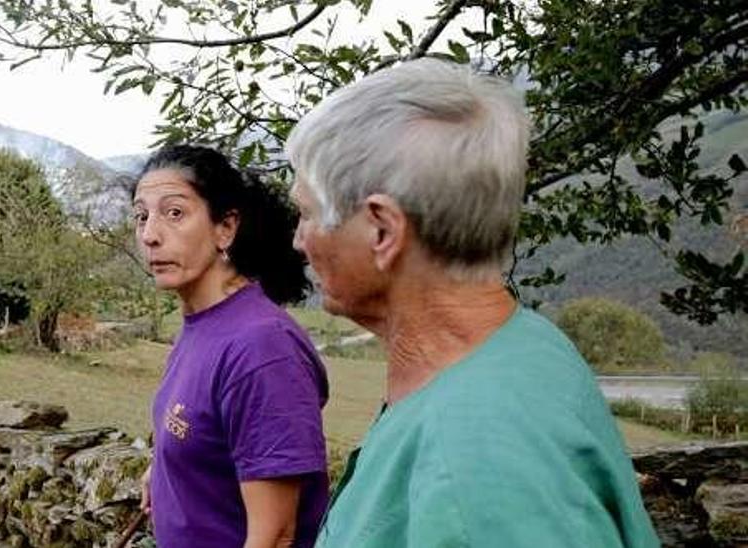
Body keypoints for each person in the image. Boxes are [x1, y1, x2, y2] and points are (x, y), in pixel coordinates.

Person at [284, 58, 659, 547]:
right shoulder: (521, 345)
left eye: (307, 214)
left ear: (382, 230)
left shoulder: (478, 465)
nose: (298, 240)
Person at [133, 145, 329, 548]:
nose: (150, 235)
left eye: (174, 213)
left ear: (225, 228)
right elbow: (210, 433)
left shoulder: (260, 347)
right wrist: (167, 467)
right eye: (142, 216)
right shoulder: (202, 325)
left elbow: (274, 536)